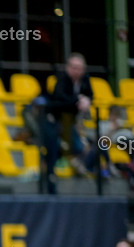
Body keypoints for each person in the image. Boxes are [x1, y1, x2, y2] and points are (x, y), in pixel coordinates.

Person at [46, 53, 93, 191]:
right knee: (75, 146)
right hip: (57, 120)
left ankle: (82, 166)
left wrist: (86, 100)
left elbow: (90, 95)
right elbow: (59, 98)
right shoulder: (62, 79)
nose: (76, 70)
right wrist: (77, 100)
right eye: (73, 67)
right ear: (67, 67)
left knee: (94, 144)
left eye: (79, 68)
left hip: (75, 120)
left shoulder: (85, 79)